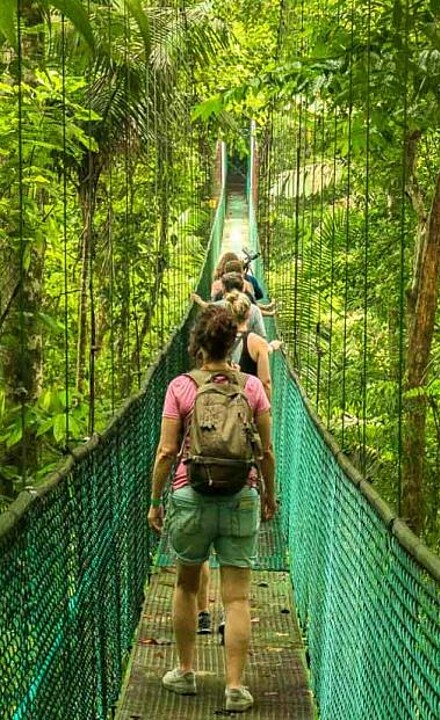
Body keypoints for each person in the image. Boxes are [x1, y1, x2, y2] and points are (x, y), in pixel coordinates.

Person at [148, 305, 276, 713]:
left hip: (191, 496)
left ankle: (185, 673)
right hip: (241, 497)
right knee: (237, 598)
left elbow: (168, 450)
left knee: (186, 585)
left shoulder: (180, 387)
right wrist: (270, 496)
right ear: (234, 344)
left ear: (198, 346)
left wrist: (155, 501)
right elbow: (267, 451)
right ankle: (235, 688)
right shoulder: (252, 388)